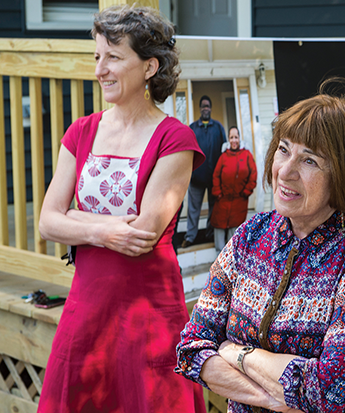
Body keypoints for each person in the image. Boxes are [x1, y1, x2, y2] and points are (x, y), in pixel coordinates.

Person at [175, 88, 345, 412]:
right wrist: (272, 399)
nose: (285, 170)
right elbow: (192, 347)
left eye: (309, 160)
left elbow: (330, 390)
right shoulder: (250, 236)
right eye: (284, 150)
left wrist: (236, 353)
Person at [37, 5, 206, 412]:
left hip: (148, 315)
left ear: (149, 67)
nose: (101, 70)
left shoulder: (175, 139)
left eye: (113, 57)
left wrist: (75, 218)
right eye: (97, 57)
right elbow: (46, 221)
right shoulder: (82, 131)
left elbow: (142, 234)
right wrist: (100, 231)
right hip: (87, 306)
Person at [182, 95, 227, 248]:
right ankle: (190, 237)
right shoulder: (192, 128)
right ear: (200, 108)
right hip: (196, 178)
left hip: (214, 179)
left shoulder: (218, 127)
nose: (205, 108)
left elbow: (224, 152)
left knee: (213, 209)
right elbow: (187, 152)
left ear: (211, 108)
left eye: (208, 106)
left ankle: (209, 234)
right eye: (203, 106)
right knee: (193, 210)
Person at [211, 126, 257, 252]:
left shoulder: (247, 155)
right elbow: (216, 175)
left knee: (234, 230)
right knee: (219, 226)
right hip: (223, 199)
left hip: (239, 200)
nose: (234, 140)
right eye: (231, 137)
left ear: (239, 138)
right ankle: (218, 259)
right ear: (228, 140)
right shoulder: (223, 156)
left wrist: (246, 192)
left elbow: (253, 175)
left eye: (236, 137)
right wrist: (218, 193)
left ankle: (231, 259)